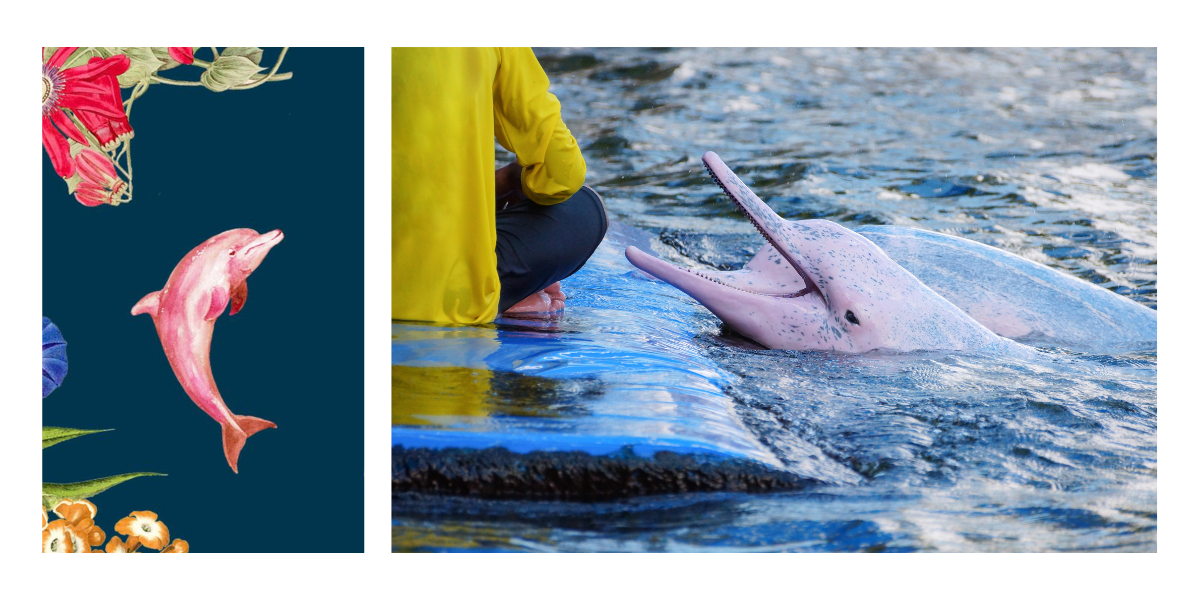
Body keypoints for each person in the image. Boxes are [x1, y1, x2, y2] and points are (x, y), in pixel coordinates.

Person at [392, 47, 608, 324]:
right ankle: (506, 291)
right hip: (443, 297)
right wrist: (509, 180)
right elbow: (562, 175)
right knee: (584, 208)